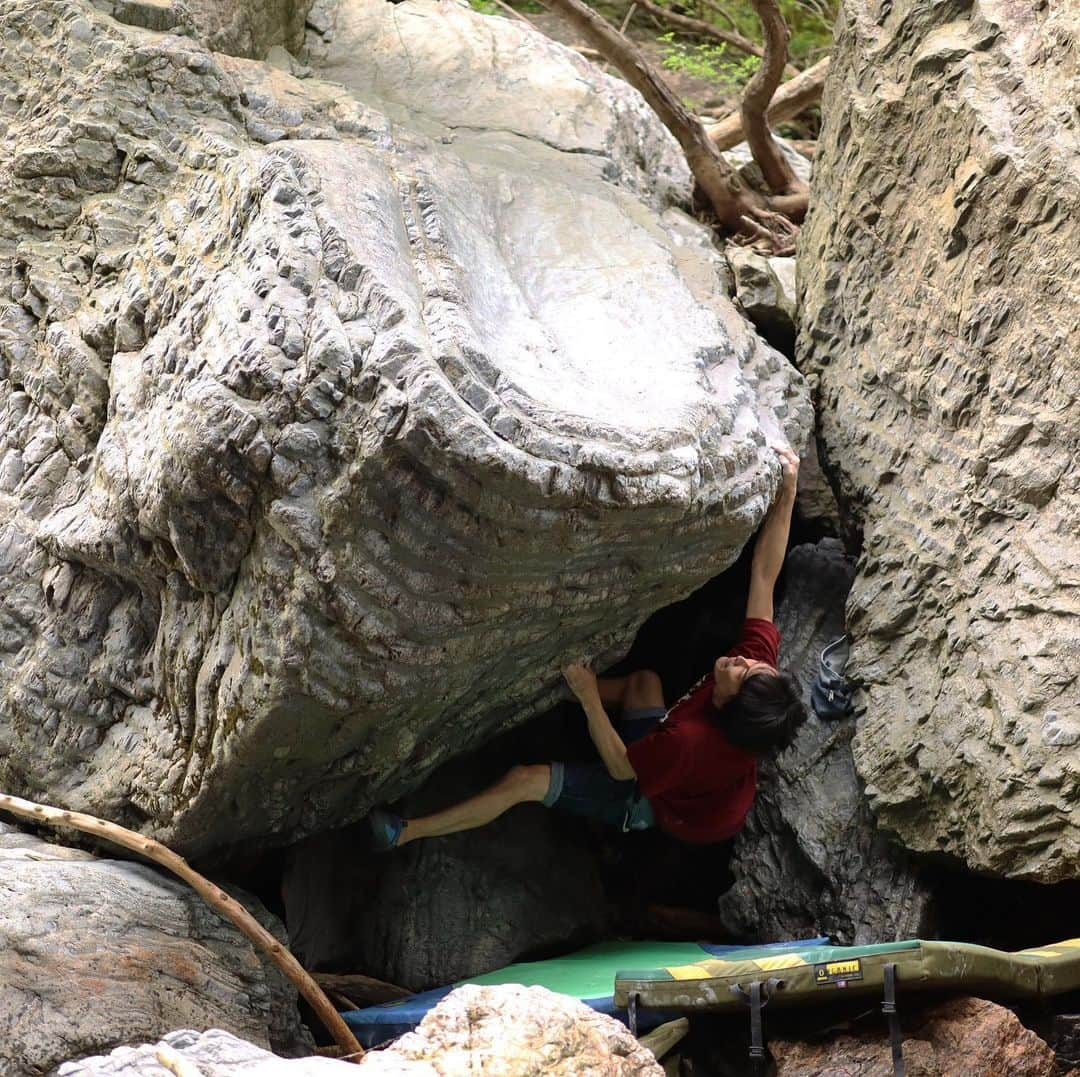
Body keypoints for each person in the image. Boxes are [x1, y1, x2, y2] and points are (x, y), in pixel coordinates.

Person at [368, 447, 806, 851]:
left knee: (525, 780)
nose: (743, 659)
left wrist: (588, 695)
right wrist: (787, 491)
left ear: (726, 705)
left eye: (742, 672)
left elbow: (622, 768)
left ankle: (405, 833)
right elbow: (764, 576)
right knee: (644, 682)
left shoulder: (689, 743)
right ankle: (543, 694)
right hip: (695, 774)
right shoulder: (755, 679)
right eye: (754, 663)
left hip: (662, 803)